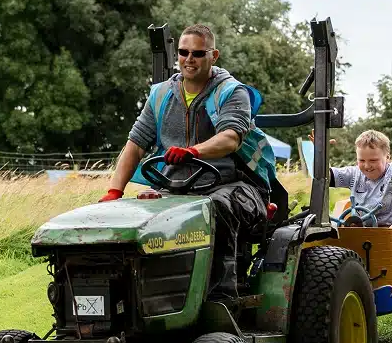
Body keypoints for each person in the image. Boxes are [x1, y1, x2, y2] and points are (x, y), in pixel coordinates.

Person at [99, 23, 267, 303]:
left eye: (198, 53)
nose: (189, 59)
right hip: (173, 188)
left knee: (216, 209)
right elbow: (135, 144)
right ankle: (140, 300)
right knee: (138, 215)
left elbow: (230, 138)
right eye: (184, 52)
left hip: (231, 184)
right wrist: (114, 191)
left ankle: (222, 297)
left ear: (214, 55)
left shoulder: (230, 92)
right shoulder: (161, 94)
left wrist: (193, 151)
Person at [330, 126, 392, 231]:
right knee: (333, 228)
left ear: (387, 157)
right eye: (361, 160)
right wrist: (320, 151)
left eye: (373, 160)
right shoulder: (354, 174)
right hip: (362, 230)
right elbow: (326, 177)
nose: (367, 165)